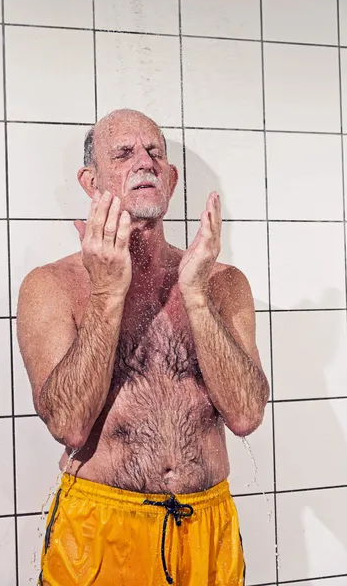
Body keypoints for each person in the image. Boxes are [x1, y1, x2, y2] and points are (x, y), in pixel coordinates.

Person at [17, 108, 270, 586]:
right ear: (91, 182)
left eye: (155, 152)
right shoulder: (51, 285)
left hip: (206, 530)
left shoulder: (221, 282)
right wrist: (107, 293)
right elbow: (68, 425)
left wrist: (195, 295)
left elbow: (245, 416)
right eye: (125, 153)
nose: (145, 162)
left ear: (171, 180)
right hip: (100, 533)